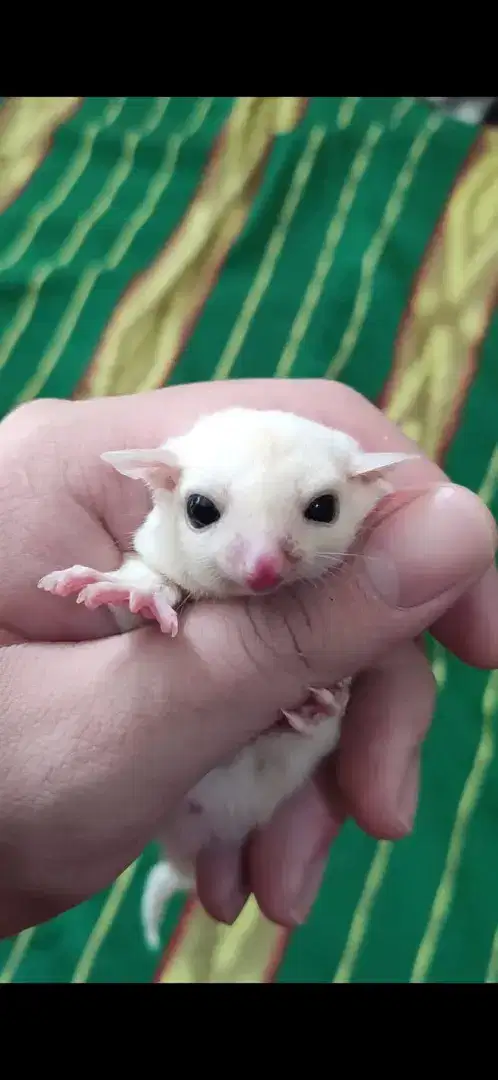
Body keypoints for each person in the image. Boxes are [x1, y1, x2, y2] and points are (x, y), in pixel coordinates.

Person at [0, 376, 496, 942]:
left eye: (319, 508)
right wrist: (142, 587)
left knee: (327, 709)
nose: (262, 564)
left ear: (367, 486)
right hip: (175, 785)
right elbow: (153, 567)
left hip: (255, 775)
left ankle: (283, 741)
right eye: (206, 511)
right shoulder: (164, 541)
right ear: (164, 484)